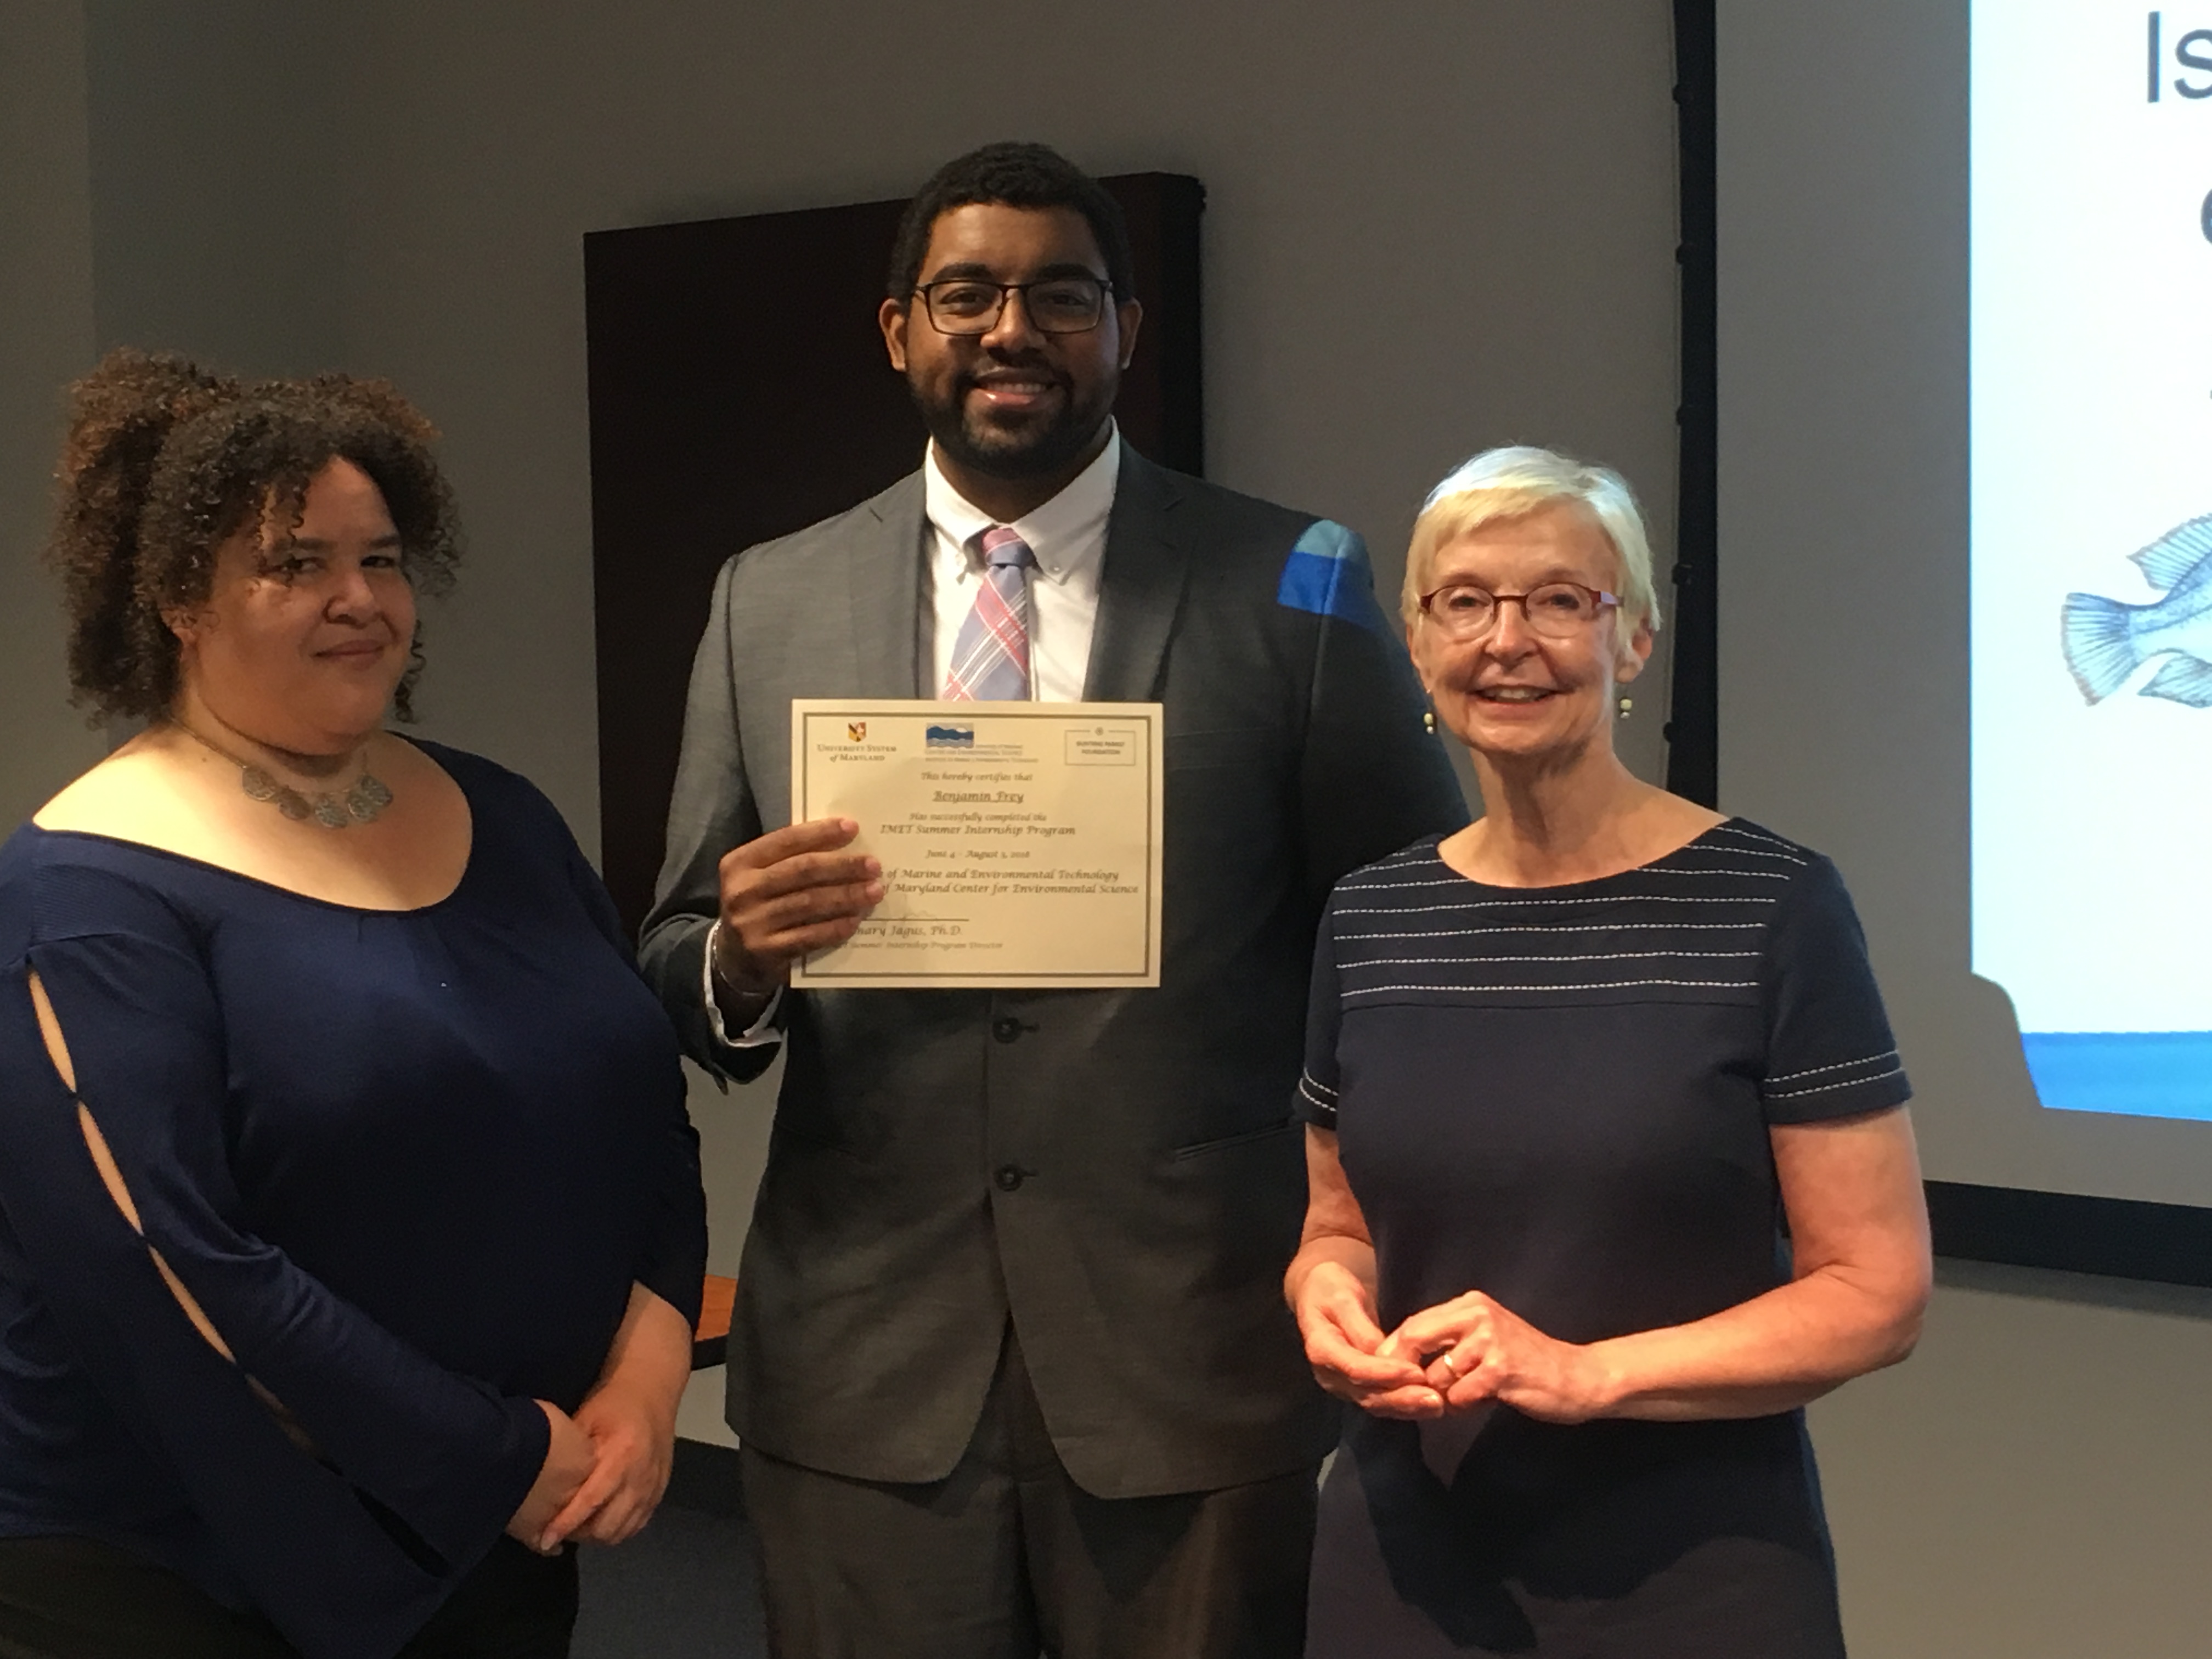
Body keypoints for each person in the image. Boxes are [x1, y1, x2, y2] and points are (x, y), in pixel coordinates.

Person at [640, 142, 1468, 1657]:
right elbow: (678, 953)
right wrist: (742, 960)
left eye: (1061, 297)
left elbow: (1413, 935)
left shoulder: (1295, 579)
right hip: (866, 1356)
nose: (1011, 331)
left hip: (1195, 1351)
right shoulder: (771, 596)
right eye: (966, 295)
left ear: (1126, 333)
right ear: (900, 330)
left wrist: (1368, 1225)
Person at [0, 351, 707, 1659]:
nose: (358, 601)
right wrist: (495, 1456)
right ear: (174, 599)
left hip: (505, 1519)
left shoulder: (502, 813)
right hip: (192, 1561)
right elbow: (176, 1269)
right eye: (294, 564)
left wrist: (646, 1384)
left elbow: (641, 1108)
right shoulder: (84, 892)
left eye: (381, 560)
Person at [1284, 445, 1932, 1657]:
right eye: (1465, 601)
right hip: (1401, 1569)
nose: (1506, 639)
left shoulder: (1772, 905)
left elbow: (1875, 1293)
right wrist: (1325, 1301)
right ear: (1420, 647)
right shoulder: (1370, 917)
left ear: (1632, 638)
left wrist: (1587, 1376)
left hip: (1694, 1576)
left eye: (1560, 600)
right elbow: (1341, 1228)